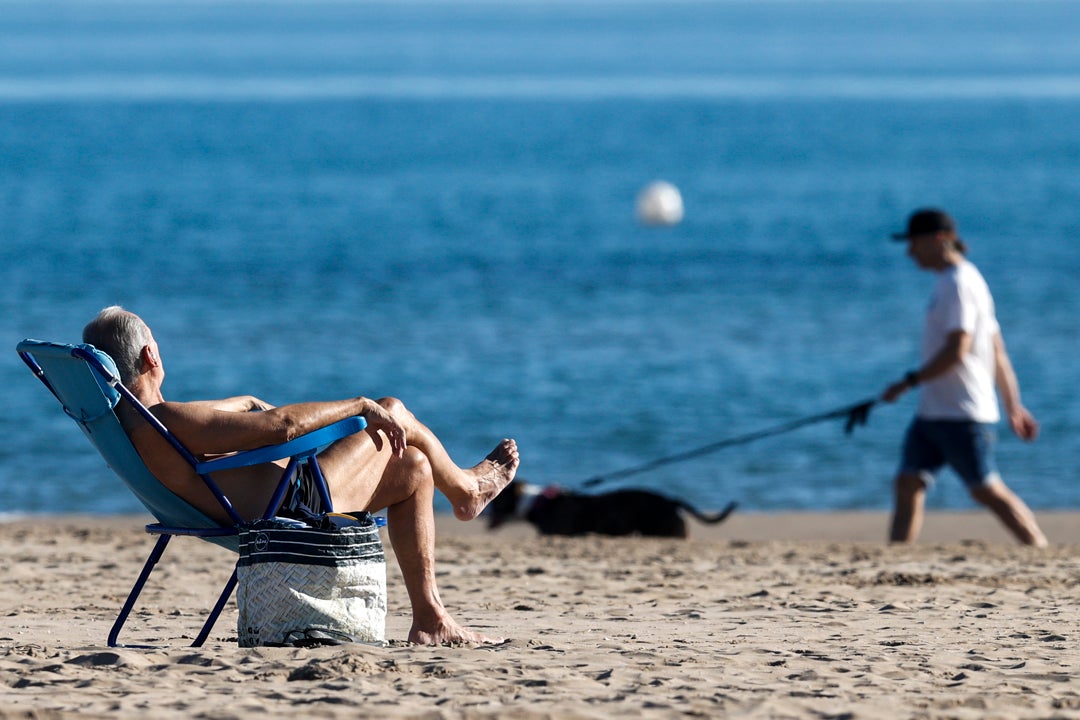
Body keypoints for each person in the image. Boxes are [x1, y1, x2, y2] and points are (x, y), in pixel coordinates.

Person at [82, 306, 520, 644]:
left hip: (253, 503)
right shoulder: (166, 420)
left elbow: (231, 417)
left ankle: (430, 621)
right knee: (392, 409)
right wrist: (358, 406)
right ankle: (466, 490)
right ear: (149, 354)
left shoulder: (133, 424)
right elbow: (282, 428)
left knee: (413, 467)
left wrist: (246, 402)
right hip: (294, 503)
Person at [880, 208, 1047, 546]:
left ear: (940, 240)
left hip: (961, 411)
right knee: (908, 482)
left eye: (914, 243)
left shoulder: (959, 284)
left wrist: (909, 382)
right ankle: (896, 557)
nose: (910, 251)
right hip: (933, 411)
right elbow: (997, 349)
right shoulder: (962, 281)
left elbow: (959, 349)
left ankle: (1038, 549)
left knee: (986, 489)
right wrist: (1014, 405)